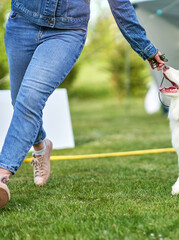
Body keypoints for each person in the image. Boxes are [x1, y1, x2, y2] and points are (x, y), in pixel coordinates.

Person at [0, 0, 165, 208]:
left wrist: (145, 47)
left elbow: (120, 4)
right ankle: (41, 146)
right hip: (22, 21)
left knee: (30, 98)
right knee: (19, 100)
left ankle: (2, 175)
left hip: (66, 31)